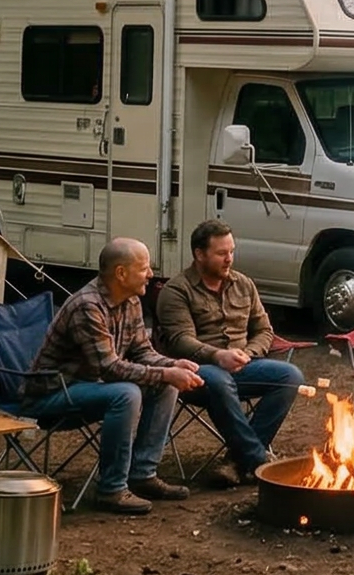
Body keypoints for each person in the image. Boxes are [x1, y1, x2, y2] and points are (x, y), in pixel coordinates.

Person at [28, 238, 203, 514]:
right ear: (121, 273)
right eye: (144, 268)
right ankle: (111, 489)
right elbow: (109, 368)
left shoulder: (130, 300)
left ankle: (142, 475)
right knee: (127, 393)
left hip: (91, 387)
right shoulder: (88, 305)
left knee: (164, 385)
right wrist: (166, 372)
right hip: (51, 394)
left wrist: (174, 365)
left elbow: (143, 352)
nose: (150, 274)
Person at [153, 219, 304, 487]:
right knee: (218, 379)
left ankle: (236, 460)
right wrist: (216, 356)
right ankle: (257, 459)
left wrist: (247, 352)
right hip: (195, 373)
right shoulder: (177, 291)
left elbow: (264, 330)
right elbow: (179, 341)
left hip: (242, 366)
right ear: (199, 255)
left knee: (289, 376)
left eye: (232, 251)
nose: (229, 259)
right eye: (221, 253)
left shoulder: (243, 284)